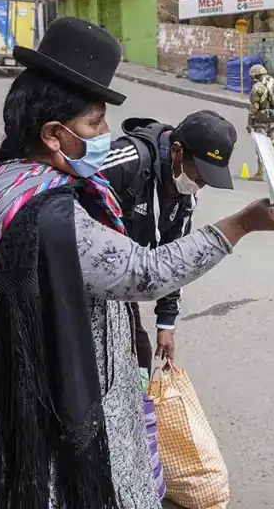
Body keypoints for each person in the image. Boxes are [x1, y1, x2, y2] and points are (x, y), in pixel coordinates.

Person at [0, 17, 274, 509]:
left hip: (8, 391)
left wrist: (165, 322)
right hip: (39, 403)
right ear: (55, 134)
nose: (105, 135)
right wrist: (243, 224)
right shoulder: (49, 210)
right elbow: (145, 271)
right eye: (95, 124)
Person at [100, 109, 238, 384]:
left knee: (139, 357)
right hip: (84, 281)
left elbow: (174, 258)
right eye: (199, 176)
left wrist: (166, 323)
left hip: (122, 289)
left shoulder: (184, 196)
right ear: (176, 152)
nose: (199, 186)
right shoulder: (125, 162)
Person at [246, 63, 274, 181]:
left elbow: (254, 107)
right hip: (273, 119)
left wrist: (249, 123)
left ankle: (260, 173)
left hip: (261, 121)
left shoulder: (257, 88)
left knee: (261, 146)